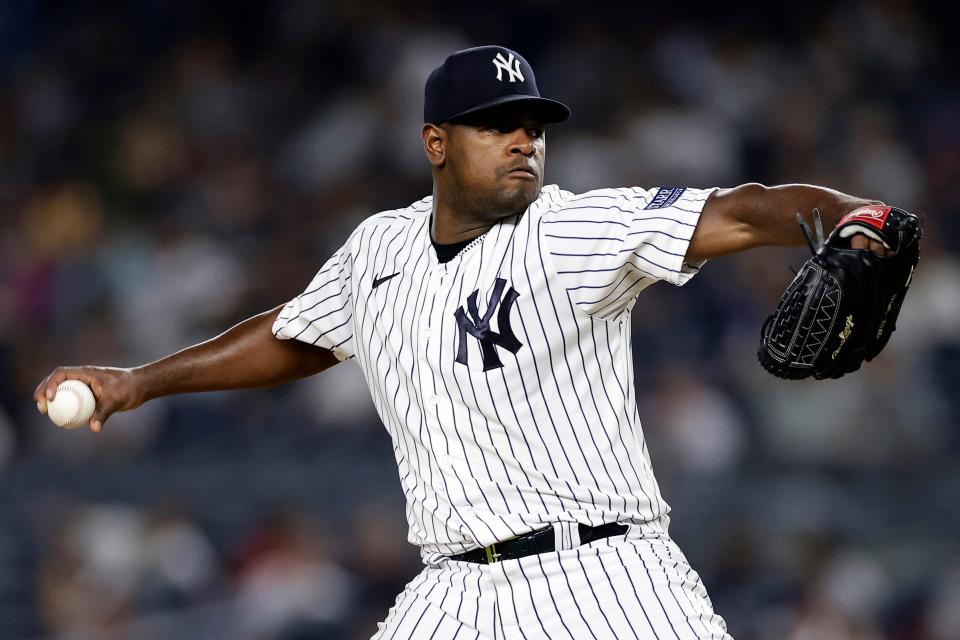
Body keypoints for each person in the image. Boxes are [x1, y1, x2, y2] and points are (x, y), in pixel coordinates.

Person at [35, 46, 892, 639]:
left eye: (533, 125)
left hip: (605, 576)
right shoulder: (378, 248)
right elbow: (295, 336)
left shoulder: (570, 228)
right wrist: (137, 383)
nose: (525, 139)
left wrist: (856, 216)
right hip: (452, 589)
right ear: (435, 143)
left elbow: (738, 209)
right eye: (496, 124)